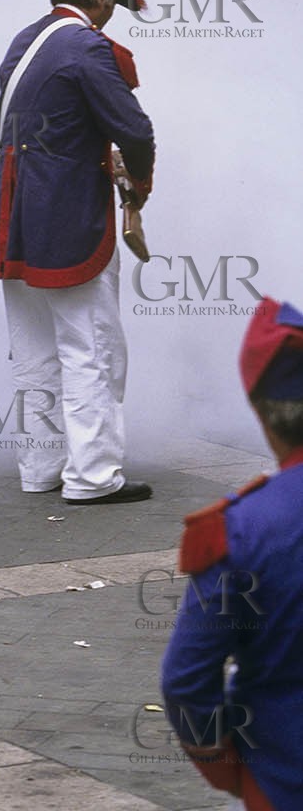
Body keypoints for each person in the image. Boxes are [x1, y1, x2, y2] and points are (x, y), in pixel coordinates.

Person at [0, 0, 156, 504]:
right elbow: (135, 129)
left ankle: (42, 468)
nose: (111, 15)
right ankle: (94, 475)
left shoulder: (23, 41)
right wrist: (140, 185)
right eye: (112, 2)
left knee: (33, 352)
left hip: (11, 212)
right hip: (67, 210)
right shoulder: (86, 46)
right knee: (91, 346)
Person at [161, 297, 303, 811]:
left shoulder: (239, 529)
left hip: (283, 778)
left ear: (263, 414)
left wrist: (228, 772)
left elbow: (186, 682)